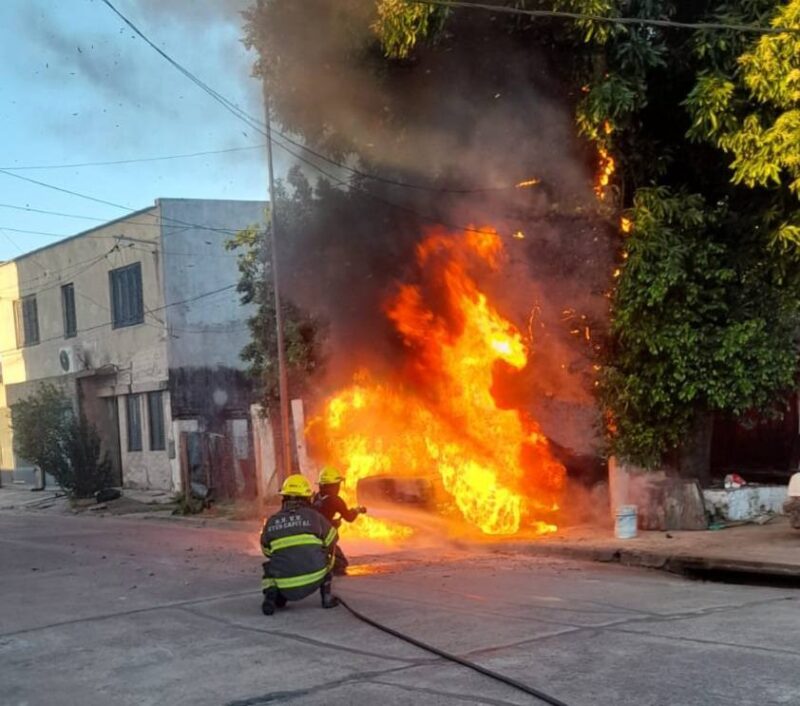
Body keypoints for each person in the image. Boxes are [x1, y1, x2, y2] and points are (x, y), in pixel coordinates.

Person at [260, 474, 339, 616]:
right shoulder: (314, 516)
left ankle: (271, 598)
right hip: (316, 577)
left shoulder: (271, 521)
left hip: (285, 584)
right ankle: (326, 597)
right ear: (306, 497)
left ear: (284, 498)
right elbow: (333, 538)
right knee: (328, 555)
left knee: (269, 567)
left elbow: (267, 551)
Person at [313, 466, 367, 575]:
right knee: (341, 564)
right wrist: (357, 510)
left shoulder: (316, 497)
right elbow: (349, 517)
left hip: (311, 533)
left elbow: (320, 516)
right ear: (335, 485)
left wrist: (332, 522)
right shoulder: (336, 500)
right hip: (323, 537)